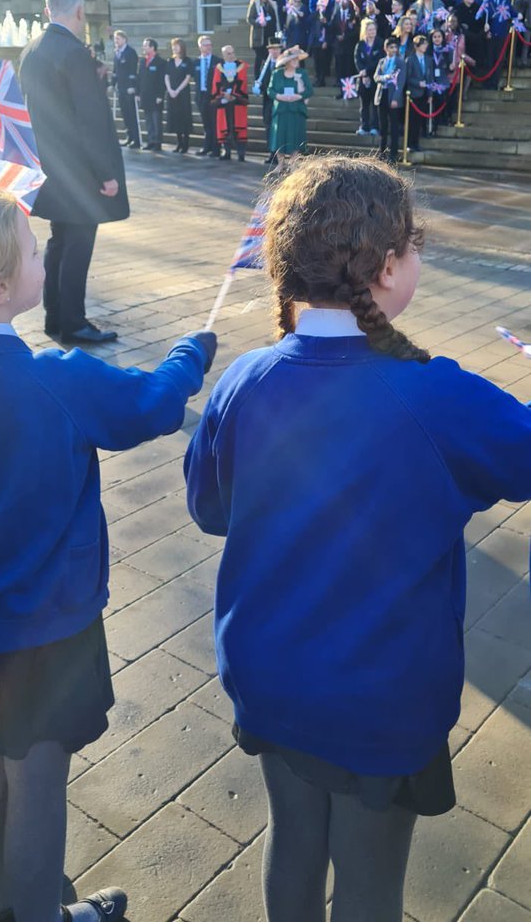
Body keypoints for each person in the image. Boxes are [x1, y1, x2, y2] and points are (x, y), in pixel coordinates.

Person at [184, 153, 531, 922]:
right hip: (380, 697)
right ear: (382, 267)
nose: (417, 261)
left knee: (293, 842)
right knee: (371, 885)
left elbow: (210, 509)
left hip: (268, 674)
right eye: (412, 246)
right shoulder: (439, 396)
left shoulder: (244, 378)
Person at [0, 187, 217, 922]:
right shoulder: (55, 378)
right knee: (36, 783)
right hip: (44, 628)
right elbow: (151, 404)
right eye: (32, 253)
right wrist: (192, 354)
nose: (42, 260)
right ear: (1, 286)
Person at [19, 0, 129, 346]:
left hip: (49, 167)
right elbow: (90, 119)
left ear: (49, 9)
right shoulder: (74, 53)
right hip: (80, 172)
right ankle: (74, 323)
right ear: (79, 11)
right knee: (77, 246)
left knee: (59, 242)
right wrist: (106, 174)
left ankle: (55, 318)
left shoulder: (31, 50)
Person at [267, 45, 313, 167]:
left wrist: (299, 96)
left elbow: (309, 91)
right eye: (293, 59)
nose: (296, 62)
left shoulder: (302, 73)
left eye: (297, 59)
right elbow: (270, 90)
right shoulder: (276, 74)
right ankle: (280, 164)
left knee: (295, 136)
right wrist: (279, 96)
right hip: (281, 110)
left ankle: (293, 164)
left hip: (296, 110)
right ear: (287, 62)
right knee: (279, 136)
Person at [211, 45, 249, 161]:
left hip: (237, 102)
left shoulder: (241, 66)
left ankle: (241, 153)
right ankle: (226, 152)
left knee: (239, 127)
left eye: (232, 52)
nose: (232, 55)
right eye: (228, 53)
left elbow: (242, 83)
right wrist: (222, 94)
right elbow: (216, 83)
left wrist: (233, 95)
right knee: (224, 127)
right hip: (224, 102)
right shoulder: (219, 68)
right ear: (223, 55)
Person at [374, 35, 406, 163]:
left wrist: (396, 98)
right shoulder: (382, 61)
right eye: (391, 47)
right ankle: (381, 152)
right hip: (382, 95)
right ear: (386, 48)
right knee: (383, 126)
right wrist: (384, 77)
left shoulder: (400, 62)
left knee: (394, 126)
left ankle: (393, 154)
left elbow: (401, 81)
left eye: (395, 47)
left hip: (393, 96)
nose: (393, 49)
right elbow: (376, 77)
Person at [255, 39, 283, 166]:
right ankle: (272, 153)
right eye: (272, 49)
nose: (275, 51)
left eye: (277, 48)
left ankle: (280, 154)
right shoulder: (265, 64)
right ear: (269, 50)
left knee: (279, 128)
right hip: (267, 101)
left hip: (280, 101)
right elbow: (262, 80)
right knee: (268, 127)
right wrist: (258, 87)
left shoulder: (283, 64)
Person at [112, 30, 141, 150]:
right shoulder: (117, 52)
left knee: (131, 114)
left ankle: (136, 139)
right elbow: (115, 71)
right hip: (121, 88)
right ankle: (129, 136)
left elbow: (133, 71)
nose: (116, 41)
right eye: (115, 39)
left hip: (129, 88)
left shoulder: (130, 52)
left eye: (118, 39)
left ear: (124, 39)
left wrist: (132, 86)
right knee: (125, 114)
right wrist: (112, 84)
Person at [354, 19, 383, 136]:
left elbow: (379, 60)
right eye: (370, 30)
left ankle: (375, 126)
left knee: (374, 104)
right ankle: (364, 126)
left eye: (374, 29)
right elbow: (357, 59)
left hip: (374, 77)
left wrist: (367, 70)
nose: (372, 32)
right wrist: (362, 72)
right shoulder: (360, 44)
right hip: (362, 78)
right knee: (364, 104)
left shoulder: (380, 43)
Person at [137, 38, 166, 152]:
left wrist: (160, 95)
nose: (143, 48)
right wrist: (138, 92)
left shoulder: (161, 62)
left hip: (155, 96)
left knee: (156, 120)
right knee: (148, 120)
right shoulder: (143, 61)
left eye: (145, 46)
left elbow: (161, 80)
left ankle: (157, 142)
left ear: (152, 47)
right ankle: (151, 141)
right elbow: (140, 77)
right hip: (145, 95)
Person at [192, 35, 219, 157]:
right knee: (206, 123)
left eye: (210, 44)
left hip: (213, 96)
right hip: (201, 95)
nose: (208, 47)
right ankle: (206, 147)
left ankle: (215, 148)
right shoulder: (196, 62)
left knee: (214, 123)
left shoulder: (217, 61)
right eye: (205, 45)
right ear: (200, 47)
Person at [165, 38, 193, 153]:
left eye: (177, 46)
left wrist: (178, 90)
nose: (174, 48)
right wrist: (170, 90)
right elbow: (166, 76)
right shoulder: (170, 61)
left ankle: (186, 143)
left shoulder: (187, 61)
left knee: (184, 117)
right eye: (173, 46)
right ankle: (179, 143)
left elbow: (187, 78)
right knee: (175, 117)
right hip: (171, 93)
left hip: (183, 94)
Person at [406, 35, 434, 151]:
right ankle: (409, 143)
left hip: (424, 94)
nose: (425, 46)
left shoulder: (428, 59)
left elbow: (430, 77)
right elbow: (407, 77)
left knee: (419, 120)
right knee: (412, 120)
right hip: (413, 94)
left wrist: (430, 94)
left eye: (426, 44)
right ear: (417, 46)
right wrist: (418, 83)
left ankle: (416, 143)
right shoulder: (410, 59)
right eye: (423, 44)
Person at [247, 0, 278, 78]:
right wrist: (259, 23)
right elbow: (249, 18)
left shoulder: (270, 3)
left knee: (268, 57)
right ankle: (257, 77)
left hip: (270, 34)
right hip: (260, 35)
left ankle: (267, 77)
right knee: (259, 58)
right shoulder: (255, 3)